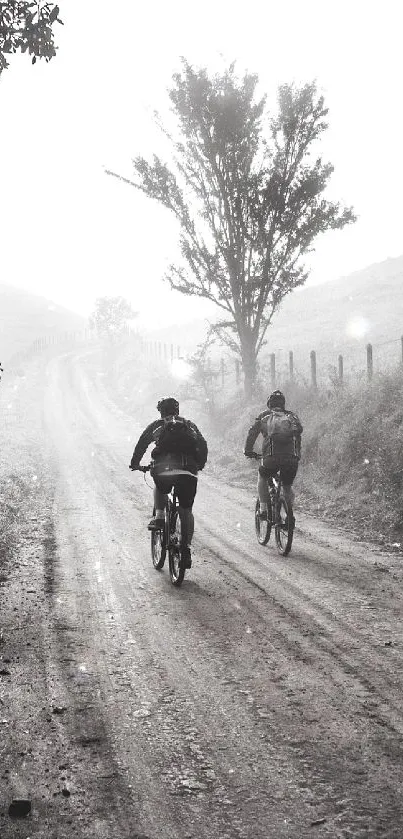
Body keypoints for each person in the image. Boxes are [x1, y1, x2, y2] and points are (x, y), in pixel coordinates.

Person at [129, 397, 208, 568]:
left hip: (164, 469)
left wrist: (135, 463)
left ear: (161, 411)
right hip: (188, 470)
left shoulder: (157, 425)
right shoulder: (189, 425)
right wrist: (199, 464)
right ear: (177, 410)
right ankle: (185, 547)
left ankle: (159, 516)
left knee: (160, 487)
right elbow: (202, 444)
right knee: (186, 510)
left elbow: (142, 443)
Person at [244, 390, 303, 521]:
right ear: (283, 404)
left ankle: (264, 510)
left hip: (271, 457)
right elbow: (298, 434)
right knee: (287, 487)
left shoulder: (264, 416)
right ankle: (289, 514)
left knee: (262, 476)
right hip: (291, 459)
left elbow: (252, 433)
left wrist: (248, 450)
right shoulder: (292, 416)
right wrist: (297, 455)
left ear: (269, 404)